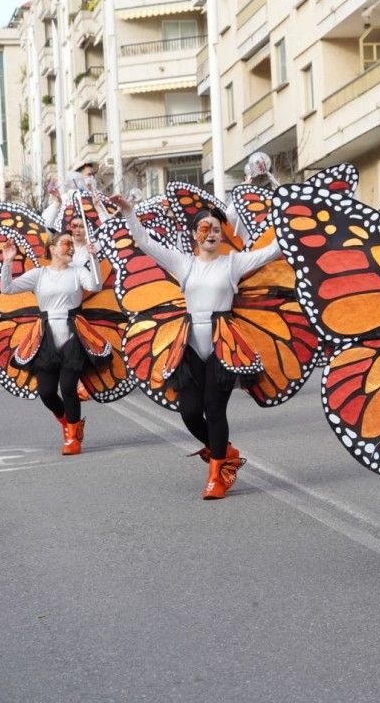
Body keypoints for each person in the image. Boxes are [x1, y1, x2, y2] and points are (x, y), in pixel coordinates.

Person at [108, 193, 283, 499]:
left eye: (215, 228)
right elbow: (146, 243)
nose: (211, 233)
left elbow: (272, 252)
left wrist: (290, 219)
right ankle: (225, 451)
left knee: (215, 410)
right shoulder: (183, 262)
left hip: (223, 344)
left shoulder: (233, 263)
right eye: (205, 228)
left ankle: (216, 476)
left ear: (221, 233)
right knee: (190, 412)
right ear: (194, 234)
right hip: (188, 343)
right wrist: (129, 213)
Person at [0, 232, 102, 456]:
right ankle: (68, 422)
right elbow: (6, 289)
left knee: (67, 388)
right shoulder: (39, 274)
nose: (70, 248)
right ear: (52, 248)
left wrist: (94, 259)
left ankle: (73, 438)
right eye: (66, 244)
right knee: (46, 392)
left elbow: (95, 286)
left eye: (72, 244)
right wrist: (8, 261)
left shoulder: (78, 271)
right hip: (45, 336)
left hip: (73, 334)